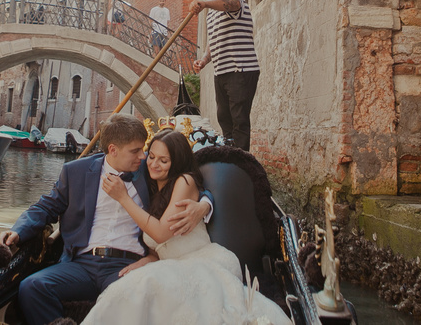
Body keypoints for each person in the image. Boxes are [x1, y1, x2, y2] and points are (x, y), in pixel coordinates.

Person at [0, 114, 212, 325]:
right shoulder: (75, 171)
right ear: (113, 150)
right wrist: (18, 230)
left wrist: (204, 205)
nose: (144, 157)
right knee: (31, 287)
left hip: (127, 264)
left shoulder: (149, 171)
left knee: (130, 300)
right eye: (136, 151)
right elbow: (46, 206)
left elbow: (185, 180)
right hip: (82, 263)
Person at [82, 129, 290, 325]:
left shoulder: (184, 181)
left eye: (163, 160)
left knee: (145, 287)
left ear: (177, 162)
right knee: (127, 290)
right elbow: (161, 249)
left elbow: (162, 233)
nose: (154, 164)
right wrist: (146, 260)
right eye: (152, 156)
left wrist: (123, 198)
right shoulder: (150, 185)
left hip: (202, 263)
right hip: (169, 266)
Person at [189, 0, 260, 151]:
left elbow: (232, 3)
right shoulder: (212, 12)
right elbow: (214, 41)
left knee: (239, 120)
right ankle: (231, 156)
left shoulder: (234, 0)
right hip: (221, 72)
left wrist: (203, 4)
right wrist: (204, 60)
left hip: (240, 70)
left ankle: (242, 164)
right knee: (224, 118)